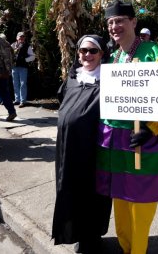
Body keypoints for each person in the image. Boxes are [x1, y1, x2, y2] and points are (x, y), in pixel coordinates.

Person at [97, 1, 158, 254]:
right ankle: (125, 246)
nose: (114, 26)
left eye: (120, 20)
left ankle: (138, 251)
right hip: (115, 143)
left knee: (140, 202)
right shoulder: (112, 57)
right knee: (120, 199)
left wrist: (152, 129)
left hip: (142, 140)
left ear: (133, 22)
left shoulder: (154, 53)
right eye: (111, 22)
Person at [52, 35, 112, 254]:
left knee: (93, 193)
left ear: (102, 54)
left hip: (94, 149)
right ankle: (74, 232)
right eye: (83, 51)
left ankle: (91, 237)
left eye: (92, 51)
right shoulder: (72, 78)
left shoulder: (109, 80)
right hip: (68, 148)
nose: (87, 55)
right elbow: (63, 101)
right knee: (69, 188)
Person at [11, 32, 35, 108]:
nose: (21, 38)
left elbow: (33, 56)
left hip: (23, 67)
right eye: (20, 37)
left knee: (23, 84)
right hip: (14, 67)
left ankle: (23, 101)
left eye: (23, 37)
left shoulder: (27, 46)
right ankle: (17, 100)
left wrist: (25, 60)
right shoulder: (12, 45)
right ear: (17, 38)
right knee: (15, 84)